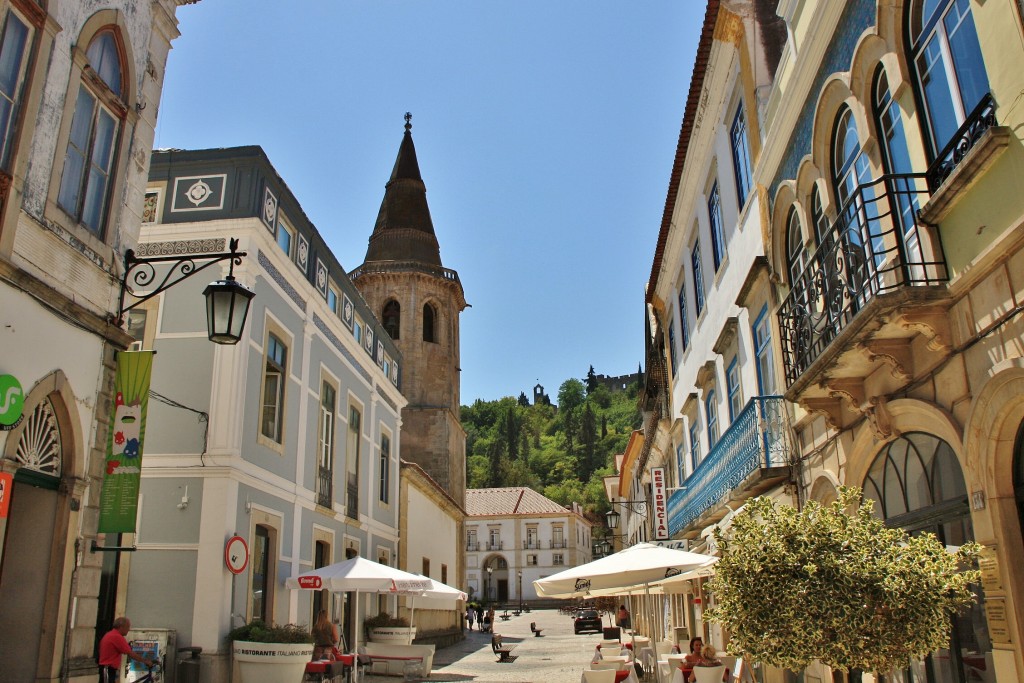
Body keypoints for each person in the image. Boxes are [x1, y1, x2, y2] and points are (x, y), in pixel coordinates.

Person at [98, 617, 154, 682]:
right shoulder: (117, 637)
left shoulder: (110, 634)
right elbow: (130, 653)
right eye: (127, 627)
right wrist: (146, 661)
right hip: (108, 668)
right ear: (121, 627)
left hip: (108, 668)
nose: (129, 629)